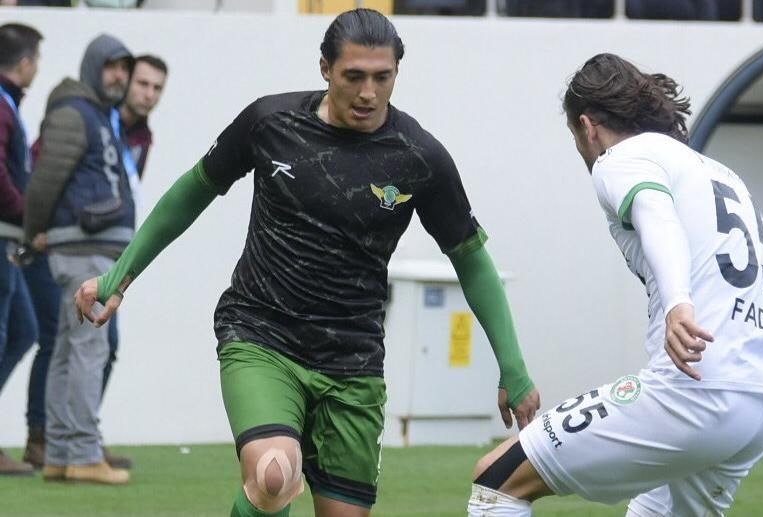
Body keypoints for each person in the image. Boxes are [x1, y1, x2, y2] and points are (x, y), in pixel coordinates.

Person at [73, 8, 540, 516]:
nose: (368, 93)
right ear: (325, 68)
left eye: (382, 77)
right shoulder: (270, 122)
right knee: (275, 474)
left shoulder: (419, 157)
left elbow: (471, 260)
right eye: (353, 76)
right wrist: (119, 276)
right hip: (262, 336)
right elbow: (192, 191)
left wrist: (513, 369)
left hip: (353, 361)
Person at [466, 53, 763, 517]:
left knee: (496, 481)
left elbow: (655, 214)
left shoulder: (621, 158)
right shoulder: (722, 177)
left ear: (587, 127)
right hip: (759, 410)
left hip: (693, 395)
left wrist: (678, 303)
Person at [23, 33, 134, 485]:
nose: (119, 76)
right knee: (90, 348)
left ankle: (60, 455)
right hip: (83, 250)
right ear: (92, 66)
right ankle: (85, 454)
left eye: (124, 69)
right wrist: (33, 234)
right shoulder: (75, 111)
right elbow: (45, 180)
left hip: (88, 249)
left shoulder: (96, 114)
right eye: (112, 66)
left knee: (69, 351)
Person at [102, 53, 168, 401]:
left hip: (112, 250)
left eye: (157, 88)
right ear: (126, 81)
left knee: (106, 348)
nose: (149, 94)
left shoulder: (143, 136)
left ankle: (77, 429)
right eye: (143, 84)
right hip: (76, 244)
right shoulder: (99, 121)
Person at [0, 21, 41, 477]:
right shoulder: (2, 104)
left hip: (8, 238)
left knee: (23, 330)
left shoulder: (8, 103)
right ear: (26, 62)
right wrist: (26, 213)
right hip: (3, 235)